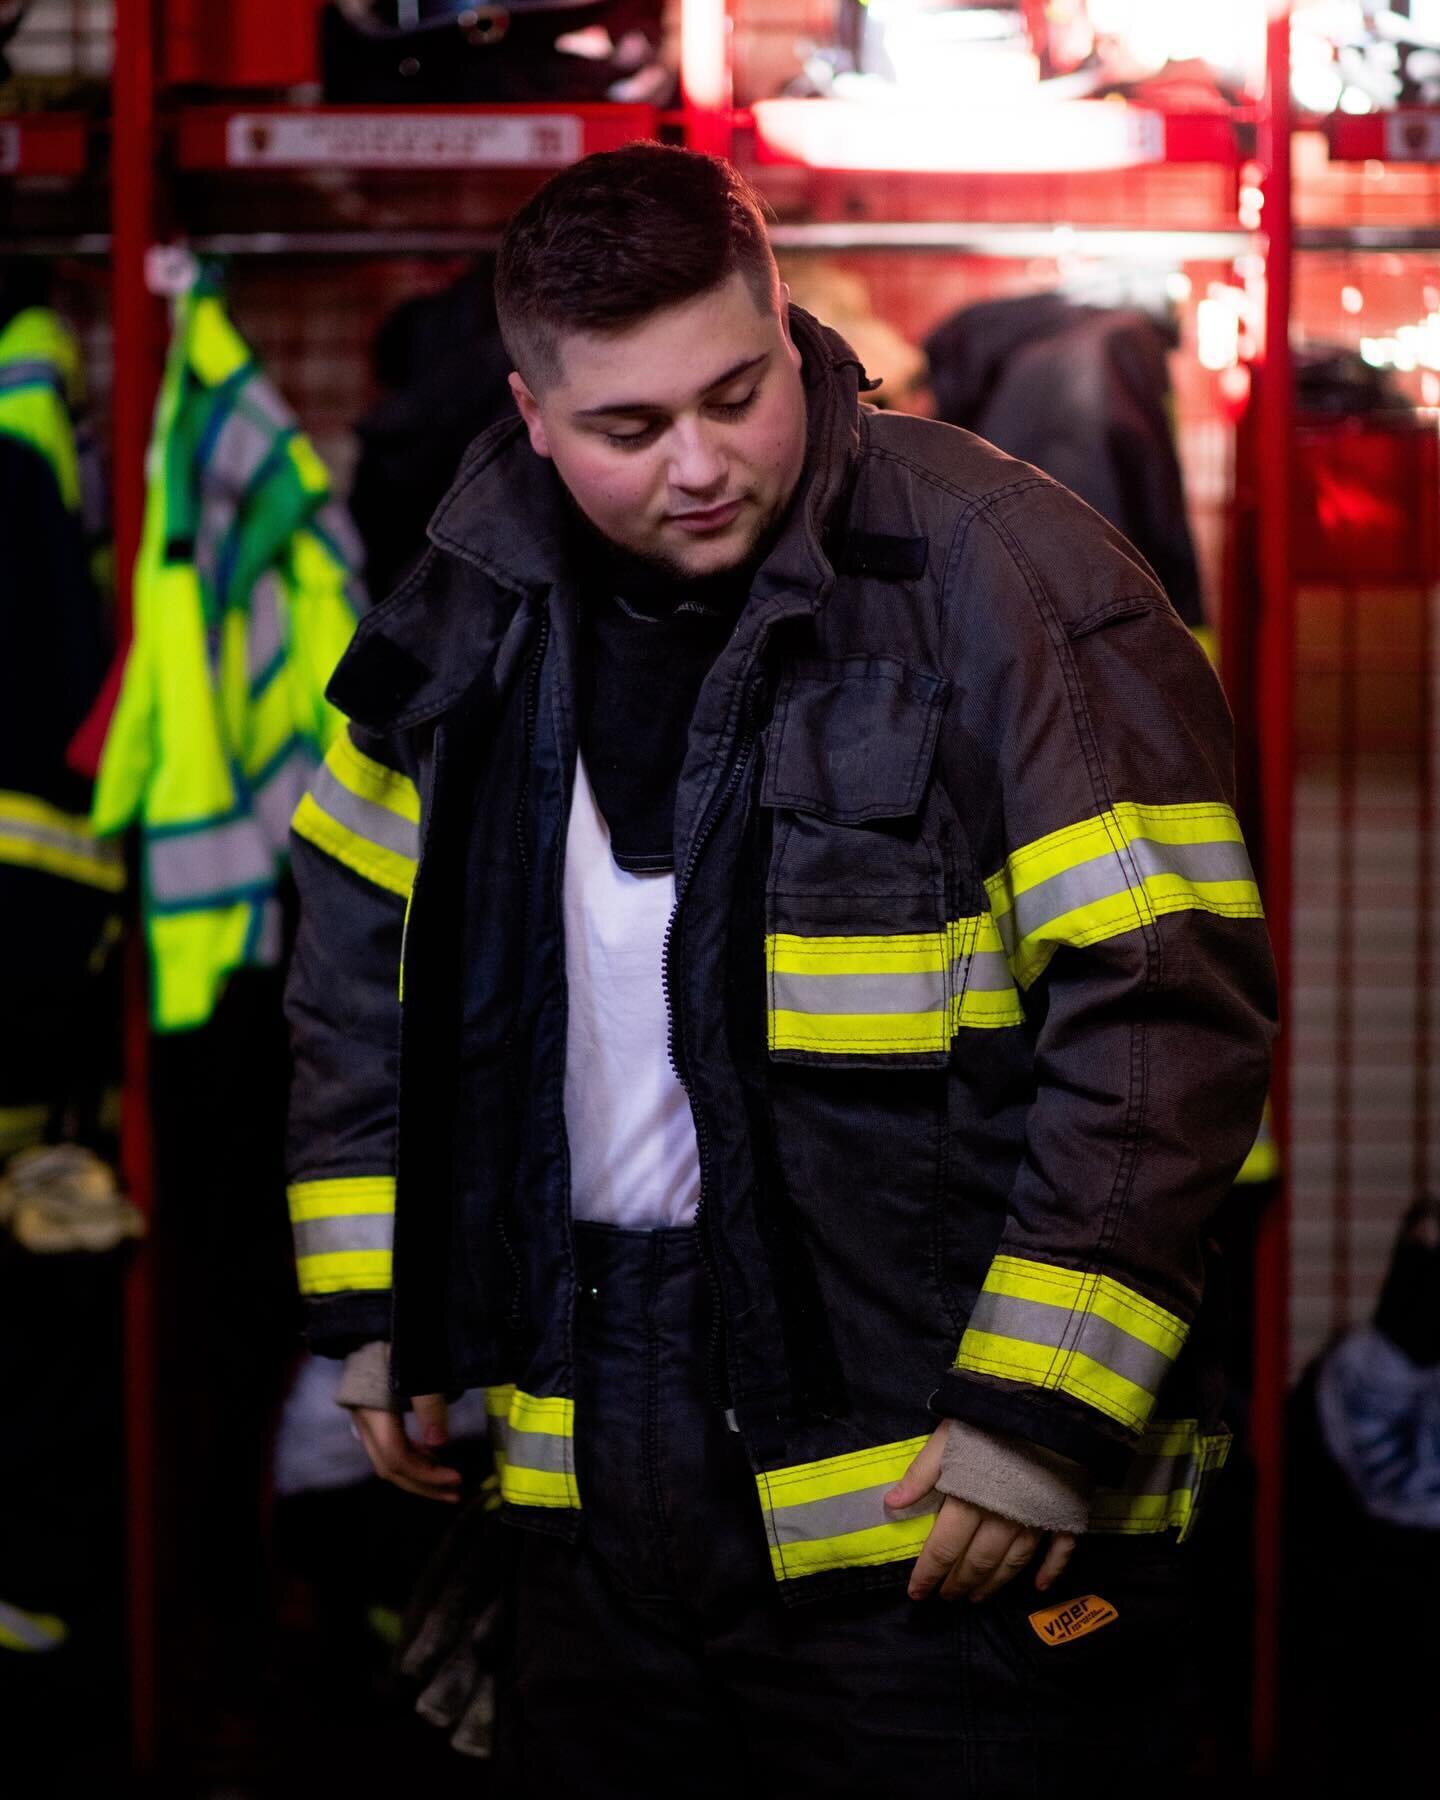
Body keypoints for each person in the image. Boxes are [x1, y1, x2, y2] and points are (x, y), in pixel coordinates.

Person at [284, 144, 1276, 1794]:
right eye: (627, 428)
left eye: (735, 393)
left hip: (939, 1503)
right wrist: (388, 1305)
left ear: (781, 316)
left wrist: (1042, 1416)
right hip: (581, 1480)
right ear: (532, 415)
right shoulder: (470, 609)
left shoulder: (1011, 583)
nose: (699, 463)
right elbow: (352, 961)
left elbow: (1163, 1011)